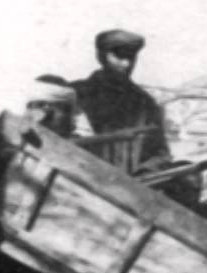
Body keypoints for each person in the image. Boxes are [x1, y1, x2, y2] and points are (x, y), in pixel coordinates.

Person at [71, 29, 171, 172]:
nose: (126, 64)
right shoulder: (75, 94)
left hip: (129, 184)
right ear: (101, 56)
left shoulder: (145, 103)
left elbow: (161, 154)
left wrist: (145, 171)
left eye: (131, 57)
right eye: (119, 56)